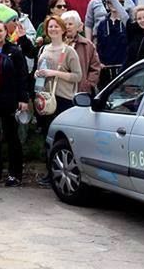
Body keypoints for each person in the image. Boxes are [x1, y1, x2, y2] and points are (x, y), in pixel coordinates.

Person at [34, 16, 82, 187]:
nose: (53, 29)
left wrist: (54, 73)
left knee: (62, 140)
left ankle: (64, 172)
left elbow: (78, 76)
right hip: (46, 99)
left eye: (56, 26)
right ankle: (50, 172)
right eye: (50, 27)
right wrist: (38, 74)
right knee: (48, 137)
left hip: (63, 99)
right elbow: (39, 70)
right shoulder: (43, 49)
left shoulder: (69, 51)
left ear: (62, 30)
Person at [0, 19, 29, 188]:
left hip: (10, 100)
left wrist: (23, 99)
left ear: (6, 32)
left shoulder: (14, 51)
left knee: (12, 137)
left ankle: (15, 174)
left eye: (0, 30)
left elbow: (22, 76)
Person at [61, 10, 101, 94]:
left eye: (70, 24)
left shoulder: (87, 45)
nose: (67, 27)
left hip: (81, 90)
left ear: (78, 26)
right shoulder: (57, 44)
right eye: (65, 24)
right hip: (61, 90)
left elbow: (95, 67)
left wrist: (88, 84)